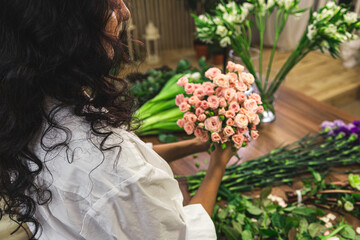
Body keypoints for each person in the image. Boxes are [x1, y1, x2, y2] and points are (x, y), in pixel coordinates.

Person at [0, 0, 235, 239]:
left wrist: (197, 145)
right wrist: (217, 166)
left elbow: (131, 165)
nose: (125, 12)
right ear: (66, 28)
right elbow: (185, 234)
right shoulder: (108, 167)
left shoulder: (21, 111)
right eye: (110, 5)